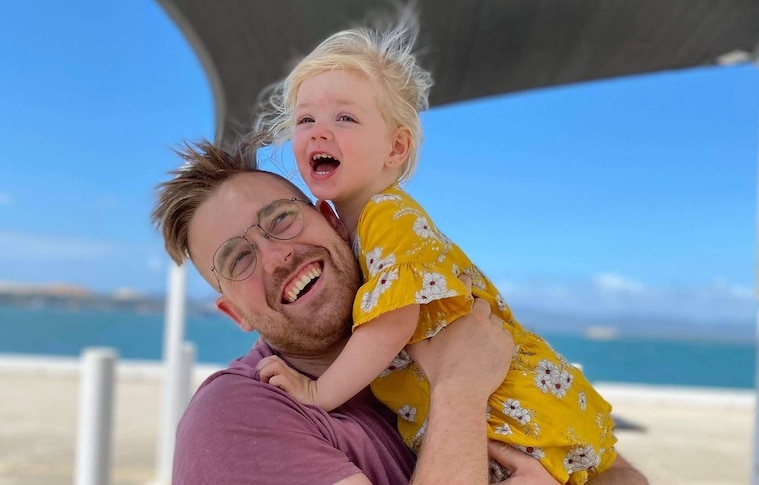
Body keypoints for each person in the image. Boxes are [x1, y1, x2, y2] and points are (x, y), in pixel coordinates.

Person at [255, 19, 627, 485]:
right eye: (305, 119)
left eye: (344, 118)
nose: (318, 132)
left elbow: (393, 322)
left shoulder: (386, 216)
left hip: (508, 406)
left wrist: (317, 394)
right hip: (491, 402)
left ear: (396, 147)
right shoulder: (359, 230)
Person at [152, 138, 647, 484]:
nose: (277, 255)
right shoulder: (238, 419)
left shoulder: (428, 331)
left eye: (281, 218)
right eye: (238, 259)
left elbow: (618, 471)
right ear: (234, 313)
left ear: (334, 222)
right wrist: (459, 391)